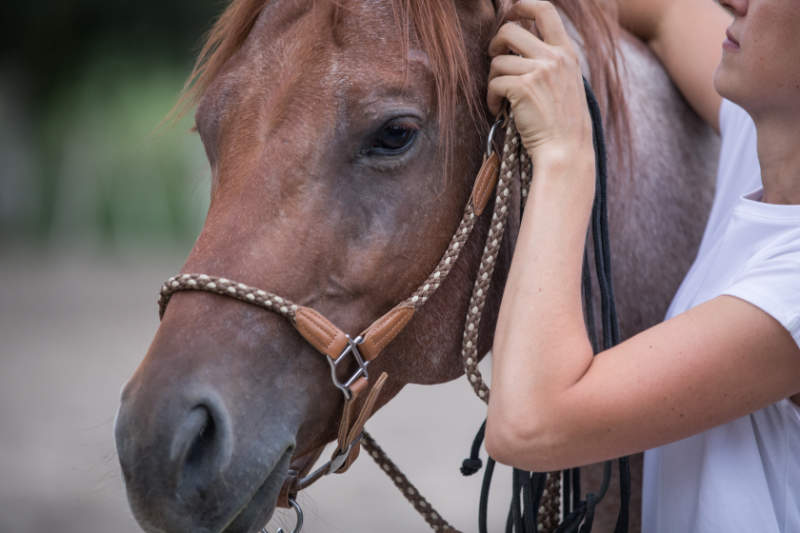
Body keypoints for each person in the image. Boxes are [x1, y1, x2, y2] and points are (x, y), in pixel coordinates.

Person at [483, 0, 800, 531]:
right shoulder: (769, 144)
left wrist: (565, 152)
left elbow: (529, 425)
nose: (738, 2)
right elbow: (668, 11)